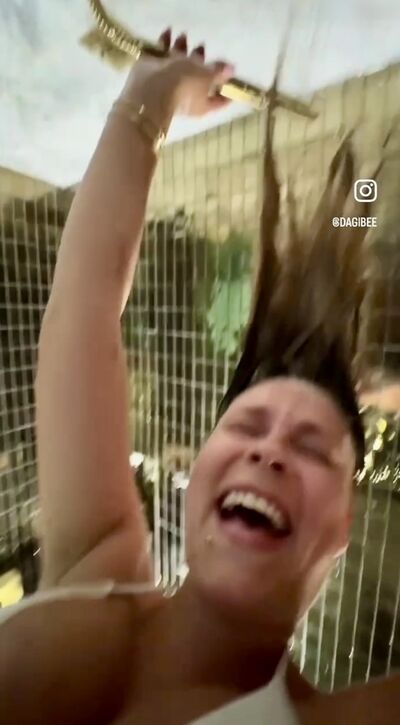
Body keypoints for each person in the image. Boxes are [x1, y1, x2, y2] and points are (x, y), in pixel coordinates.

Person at [0, 28, 399, 725]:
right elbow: (82, 316)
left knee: (357, 205)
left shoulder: (95, 561)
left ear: (345, 525)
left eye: (310, 448)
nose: (267, 449)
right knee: (357, 204)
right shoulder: (98, 565)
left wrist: (147, 106)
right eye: (246, 426)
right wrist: (148, 98)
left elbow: (79, 317)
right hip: (360, 226)